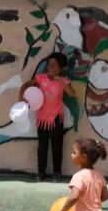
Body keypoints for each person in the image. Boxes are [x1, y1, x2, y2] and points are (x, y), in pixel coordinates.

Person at [20, 52, 76, 181]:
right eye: (49, 64)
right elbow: (25, 85)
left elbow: (72, 94)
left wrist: (61, 82)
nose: (51, 67)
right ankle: (41, 172)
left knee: (57, 146)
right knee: (42, 147)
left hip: (57, 118)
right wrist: (21, 98)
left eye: (54, 65)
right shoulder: (40, 78)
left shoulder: (64, 81)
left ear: (60, 68)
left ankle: (57, 173)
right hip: (42, 119)